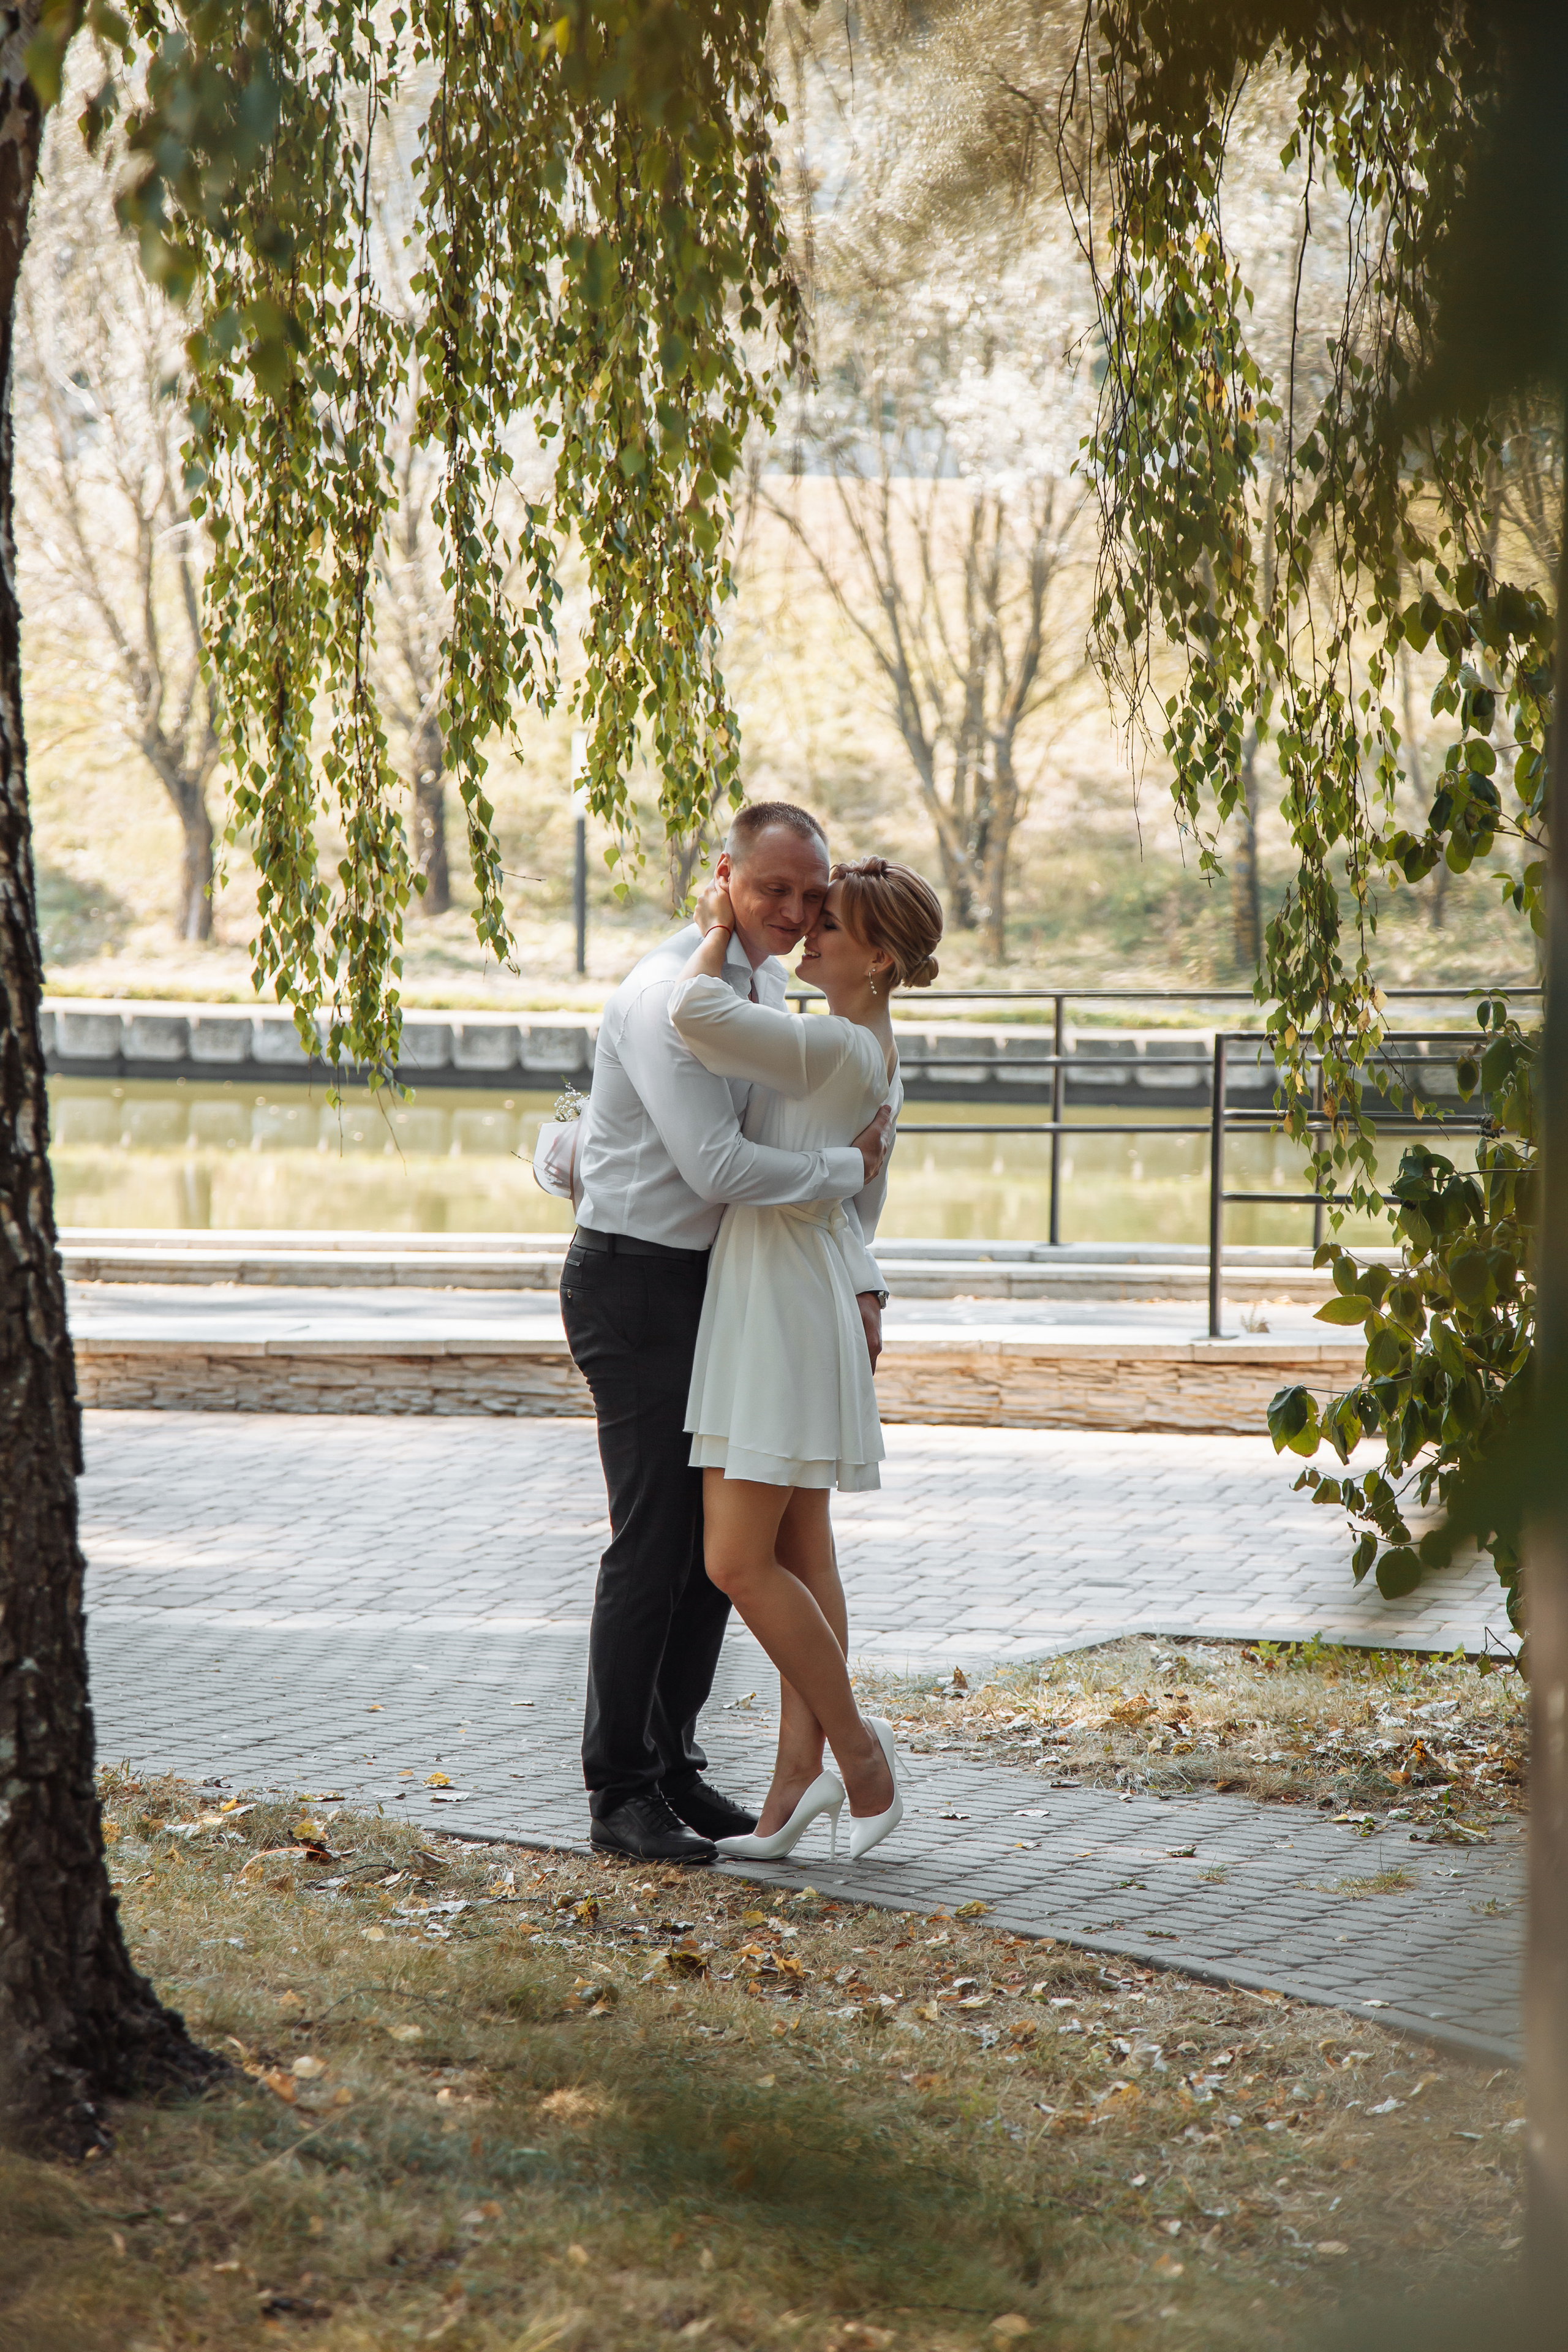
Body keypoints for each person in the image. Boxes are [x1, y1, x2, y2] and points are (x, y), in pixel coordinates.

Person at [562, 803, 896, 1864]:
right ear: (726, 879)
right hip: (640, 1285)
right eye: (774, 893)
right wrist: (845, 1175)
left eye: (814, 896)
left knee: (715, 1561)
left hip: (722, 1289)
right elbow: (716, 1171)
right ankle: (621, 1789)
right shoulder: (678, 989)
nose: (797, 915)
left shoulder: (765, 990)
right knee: (658, 1546)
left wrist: (861, 1272)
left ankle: (671, 1766)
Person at [667, 855, 944, 1864]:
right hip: (794, 1284)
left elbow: (695, 1012)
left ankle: (861, 1762)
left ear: (878, 957)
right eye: (806, 916)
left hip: (781, 1300)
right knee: (802, 1555)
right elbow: (856, 1202)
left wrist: (717, 912)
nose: (806, 934)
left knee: (735, 1561)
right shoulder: (862, 1039)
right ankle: (794, 1786)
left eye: (828, 924)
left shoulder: (834, 1046)